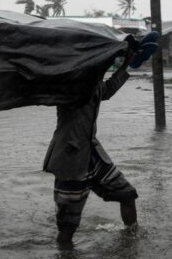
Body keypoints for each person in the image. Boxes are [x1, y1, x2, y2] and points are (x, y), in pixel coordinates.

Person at [43, 48, 138, 245]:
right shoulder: (70, 90)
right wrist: (108, 58)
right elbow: (86, 90)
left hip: (93, 155)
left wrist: (125, 64)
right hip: (70, 159)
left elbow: (108, 89)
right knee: (68, 226)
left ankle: (131, 242)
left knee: (127, 195)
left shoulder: (92, 86)